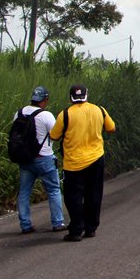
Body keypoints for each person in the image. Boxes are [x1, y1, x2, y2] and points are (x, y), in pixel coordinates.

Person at [50, 84, 116, 242]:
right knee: (94, 194)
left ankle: (76, 230)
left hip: (73, 163)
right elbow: (111, 128)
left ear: (70, 97)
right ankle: (91, 228)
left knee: (73, 197)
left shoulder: (64, 114)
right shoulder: (99, 110)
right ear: (87, 95)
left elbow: (54, 136)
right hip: (96, 159)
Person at [15, 86, 67, 234]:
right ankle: (57, 222)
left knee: (24, 192)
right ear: (45, 99)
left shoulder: (19, 113)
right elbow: (56, 134)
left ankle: (25, 225)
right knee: (54, 190)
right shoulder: (46, 115)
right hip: (44, 158)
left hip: (25, 159)